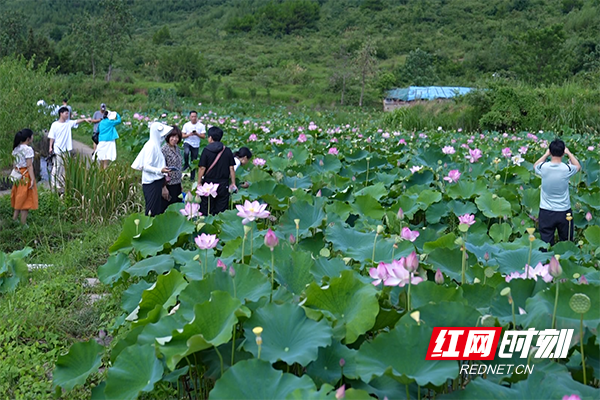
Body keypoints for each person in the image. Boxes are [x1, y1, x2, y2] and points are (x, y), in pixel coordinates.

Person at [533, 139, 581, 245]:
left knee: (545, 245)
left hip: (546, 211)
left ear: (550, 151)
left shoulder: (543, 167)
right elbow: (578, 166)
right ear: (563, 152)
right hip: (564, 211)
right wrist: (569, 153)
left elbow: (535, 165)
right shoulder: (567, 169)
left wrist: (545, 155)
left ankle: (546, 261)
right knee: (566, 243)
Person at [131, 122, 173, 216]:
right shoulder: (151, 146)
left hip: (157, 181)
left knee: (156, 210)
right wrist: (160, 170)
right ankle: (147, 229)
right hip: (151, 183)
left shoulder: (156, 145)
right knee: (151, 211)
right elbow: (145, 166)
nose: (163, 137)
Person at [48, 107, 90, 191]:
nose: (68, 115)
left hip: (67, 149)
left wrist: (85, 119)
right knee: (57, 166)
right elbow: (52, 137)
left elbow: (76, 121)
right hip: (58, 149)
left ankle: (59, 181)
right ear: (61, 113)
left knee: (63, 166)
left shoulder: (68, 123)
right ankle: (54, 183)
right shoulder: (55, 124)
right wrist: (50, 147)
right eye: (66, 113)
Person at [197, 127, 236, 215]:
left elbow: (202, 168)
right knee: (221, 211)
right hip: (223, 184)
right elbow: (231, 168)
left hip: (208, 184)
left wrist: (199, 182)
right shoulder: (227, 150)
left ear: (210, 137)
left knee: (207, 210)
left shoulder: (206, 150)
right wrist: (233, 183)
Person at [11, 129, 38, 226]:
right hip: (25, 175)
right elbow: (29, 165)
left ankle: (14, 219)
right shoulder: (28, 149)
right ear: (28, 138)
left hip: (18, 174)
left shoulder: (16, 149)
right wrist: (32, 179)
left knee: (19, 197)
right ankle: (23, 223)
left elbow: (14, 164)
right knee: (26, 199)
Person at [161, 126, 184, 208]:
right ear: (168, 137)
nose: (175, 139)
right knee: (169, 207)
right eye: (173, 136)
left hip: (177, 183)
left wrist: (180, 184)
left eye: (177, 137)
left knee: (178, 207)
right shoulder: (163, 150)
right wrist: (163, 187)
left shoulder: (177, 148)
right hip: (168, 184)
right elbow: (161, 169)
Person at [181, 110, 206, 181]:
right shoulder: (186, 125)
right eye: (192, 116)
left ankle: (192, 177)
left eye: (195, 116)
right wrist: (189, 134)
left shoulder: (201, 126)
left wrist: (197, 134)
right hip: (187, 142)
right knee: (186, 152)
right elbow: (182, 135)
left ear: (197, 117)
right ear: (189, 117)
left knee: (194, 161)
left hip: (196, 145)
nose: (193, 118)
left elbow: (203, 136)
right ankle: (186, 164)